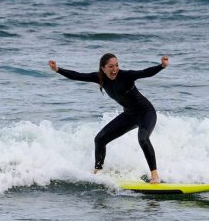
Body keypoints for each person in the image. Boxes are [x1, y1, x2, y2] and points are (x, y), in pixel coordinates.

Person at [48, 54, 169, 184]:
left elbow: (145, 73)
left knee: (143, 139)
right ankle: (97, 172)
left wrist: (162, 66)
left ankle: (155, 176)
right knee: (100, 139)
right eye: (110, 66)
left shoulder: (126, 76)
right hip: (129, 115)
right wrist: (57, 70)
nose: (114, 69)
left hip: (146, 112)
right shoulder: (99, 78)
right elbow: (78, 75)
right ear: (103, 68)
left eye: (116, 65)